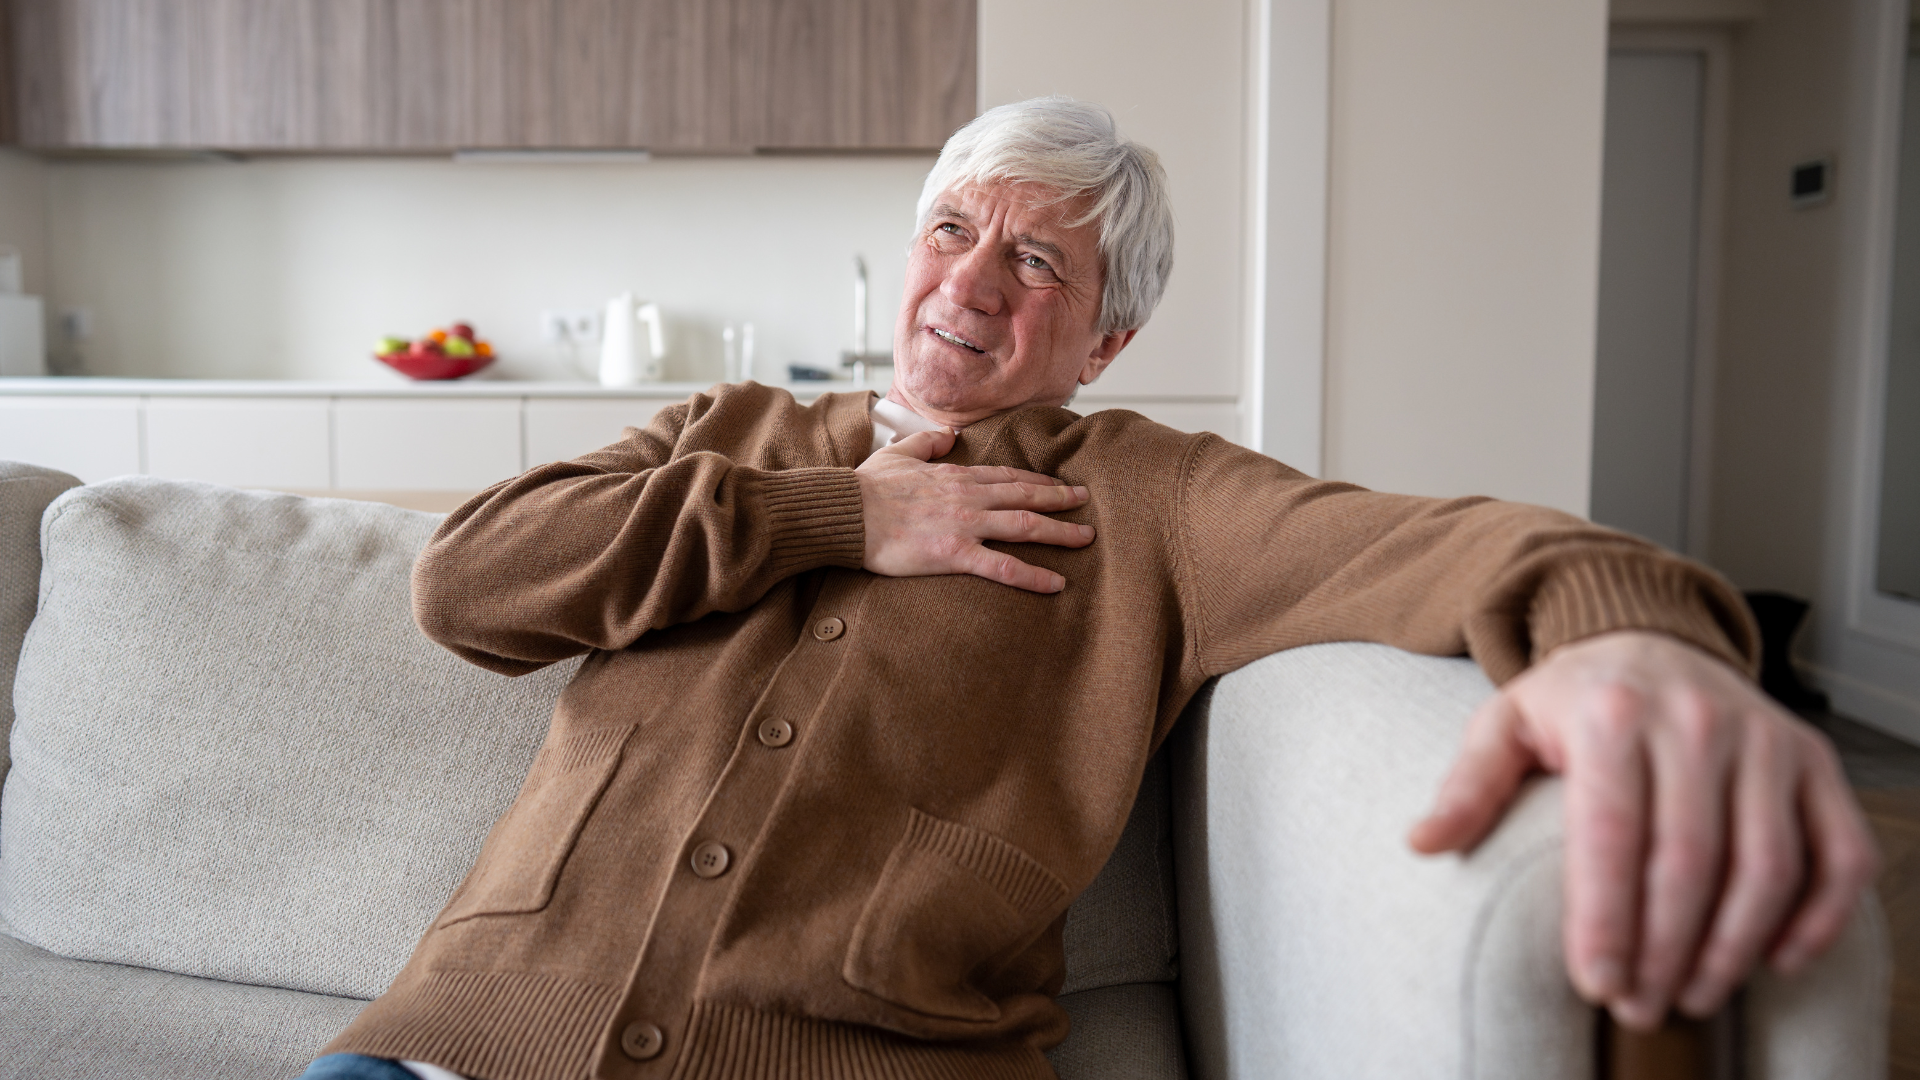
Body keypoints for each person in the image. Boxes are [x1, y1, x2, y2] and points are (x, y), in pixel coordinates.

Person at [304, 97, 1877, 1080]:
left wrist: (1629, 646)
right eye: (950, 231)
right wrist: (827, 517)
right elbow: (470, 583)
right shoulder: (732, 432)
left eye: (1038, 264)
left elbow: (1461, 543)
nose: (972, 283)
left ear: (1107, 337)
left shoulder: (1149, 495)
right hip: (456, 1055)